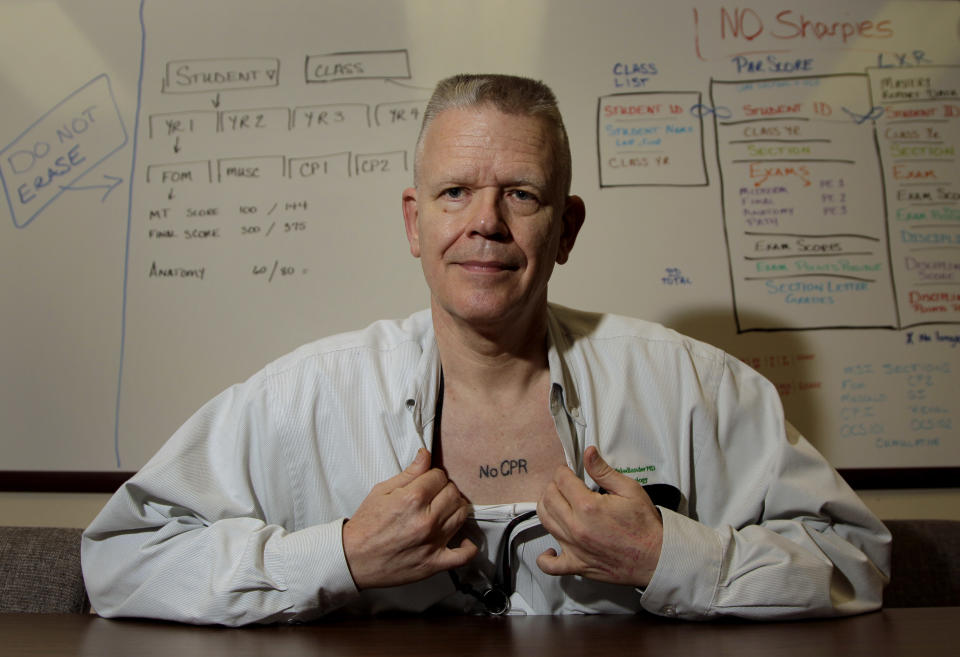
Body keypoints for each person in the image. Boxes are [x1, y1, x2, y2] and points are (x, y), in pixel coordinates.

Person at [82, 74, 890, 625]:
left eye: (522, 194)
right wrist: (339, 554)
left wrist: (667, 555)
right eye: (455, 192)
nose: (486, 223)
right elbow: (120, 558)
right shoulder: (305, 396)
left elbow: (854, 560)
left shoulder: (694, 386)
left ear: (565, 227)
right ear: (414, 221)